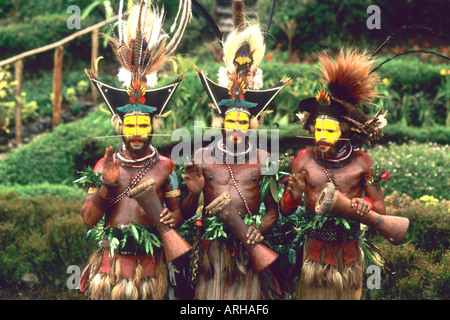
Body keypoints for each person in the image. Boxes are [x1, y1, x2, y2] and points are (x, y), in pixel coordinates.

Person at [79, 0, 192, 300]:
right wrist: (105, 185)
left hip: (152, 266)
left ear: (154, 123)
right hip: (111, 269)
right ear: (120, 124)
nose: (138, 132)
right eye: (131, 125)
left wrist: (173, 218)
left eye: (144, 124)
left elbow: (178, 215)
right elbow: (89, 219)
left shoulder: (167, 166)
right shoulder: (103, 167)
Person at [182, 0, 291, 300]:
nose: (236, 127)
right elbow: (186, 213)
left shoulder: (264, 160)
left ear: (252, 125)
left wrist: (262, 229)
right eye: (230, 120)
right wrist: (193, 192)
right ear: (220, 122)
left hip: (249, 249)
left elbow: (273, 210)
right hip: (211, 253)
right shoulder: (201, 158)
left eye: (243, 121)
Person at [280, 48, 389, 300]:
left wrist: (367, 204)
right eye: (318, 129)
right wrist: (292, 196)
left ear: (346, 131)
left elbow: (381, 209)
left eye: (330, 130)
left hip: (349, 251)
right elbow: (286, 210)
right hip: (314, 251)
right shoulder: (304, 159)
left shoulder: (363, 162)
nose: (321, 136)